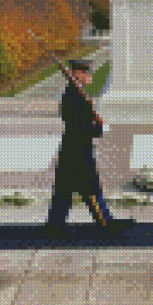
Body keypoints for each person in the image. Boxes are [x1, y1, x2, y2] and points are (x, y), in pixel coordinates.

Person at [45, 59, 135, 239]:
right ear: (76, 74)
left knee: (64, 189)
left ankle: (55, 226)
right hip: (78, 149)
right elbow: (79, 126)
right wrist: (98, 128)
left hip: (73, 148)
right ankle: (106, 224)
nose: (90, 76)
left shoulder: (76, 94)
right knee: (90, 188)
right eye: (86, 73)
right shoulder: (73, 96)